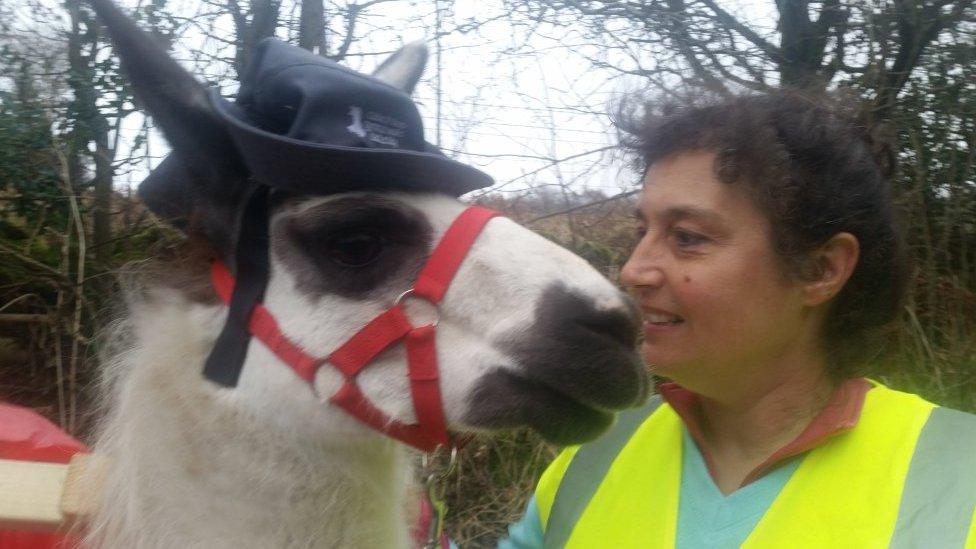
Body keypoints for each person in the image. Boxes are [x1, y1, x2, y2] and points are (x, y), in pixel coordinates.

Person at [498, 91, 976, 548]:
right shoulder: (596, 454)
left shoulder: (958, 473)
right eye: (642, 231)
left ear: (821, 270)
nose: (633, 271)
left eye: (687, 237)